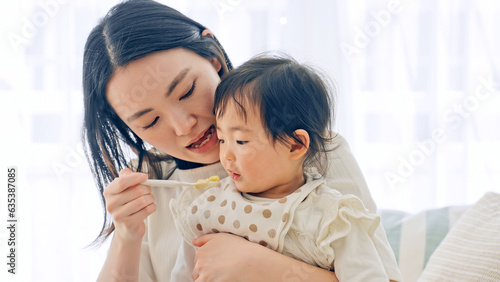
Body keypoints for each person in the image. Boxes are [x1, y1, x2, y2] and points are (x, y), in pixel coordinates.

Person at [81, 0, 402, 281]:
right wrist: (126, 234)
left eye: (187, 91)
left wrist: (263, 268)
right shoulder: (150, 181)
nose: (184, 126)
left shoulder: (311, 150)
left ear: (214, 58)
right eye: (150, 121)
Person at [169, 54, 390, 281]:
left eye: (241, 141)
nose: (225, 156)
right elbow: (183, 275)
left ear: (295, 145)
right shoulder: (208, 206)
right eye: (223, 139)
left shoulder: (332, 219)